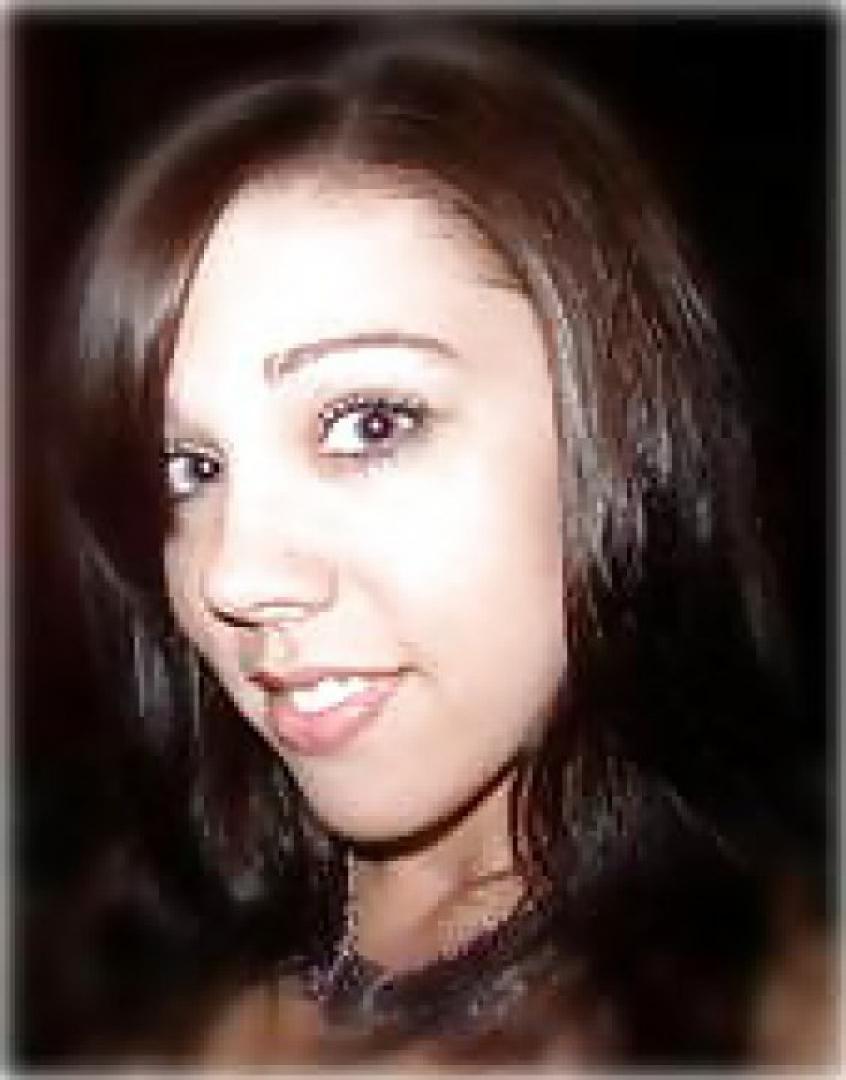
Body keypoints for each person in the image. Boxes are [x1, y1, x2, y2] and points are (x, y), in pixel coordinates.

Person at [42, 26, 829, 1070]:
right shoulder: (124, 935)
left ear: (617, 421)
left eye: (370, 422)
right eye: (190, 469)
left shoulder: (782, 1027)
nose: (232, 576)